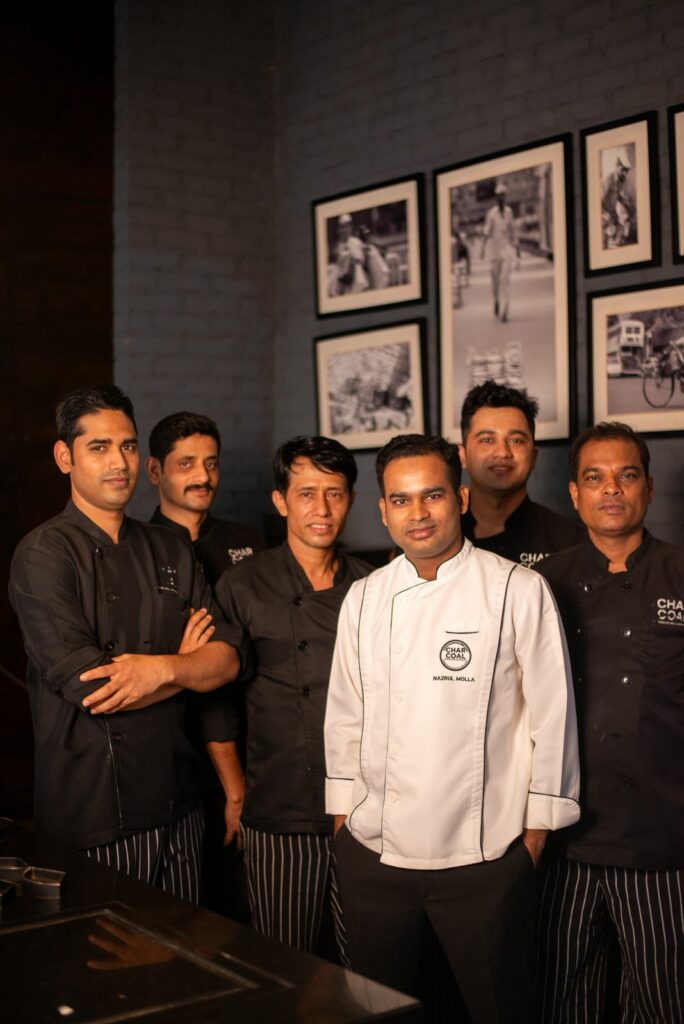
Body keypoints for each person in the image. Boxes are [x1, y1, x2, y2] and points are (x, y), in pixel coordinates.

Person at [325, 433, 580, 1022]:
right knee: (378, 1010)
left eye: (432, 495)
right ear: (383, 510)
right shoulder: (363, 598)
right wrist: (342, 822)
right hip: (375, 855)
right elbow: (344, 715)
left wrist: (533, 838)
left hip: (484, 858)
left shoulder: (517, 589)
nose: (417, 513)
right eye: (401, 499)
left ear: (461, 499)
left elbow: (553, 716)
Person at [8, 385, 240, 902]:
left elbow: (227, 659)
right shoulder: (43, 554)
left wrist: (162, 670)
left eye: (128, 446)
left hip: (180, 802)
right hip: (92, 812)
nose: (119, 462)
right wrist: (189, 667)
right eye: (99, 447)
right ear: (64, 457)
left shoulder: (170, 546)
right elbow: (95, 688)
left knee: (183, 945)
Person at [536, 422, 684, 1024]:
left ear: (649, 487)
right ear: (575, 494)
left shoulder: (680, 573)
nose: (612, 489)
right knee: (561, 999)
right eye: (594, 478)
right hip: (562, 838)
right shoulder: (540, 583)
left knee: (664, 1001)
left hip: (663, 835)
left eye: (626, 476)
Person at [213, 436, 369, 955]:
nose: (321, 509)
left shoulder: (373, 587)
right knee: (284, 960)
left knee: (369, 965)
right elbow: (219, 703)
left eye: (334, 493)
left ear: (351, 500)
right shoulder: (242, 585)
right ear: (280, 501)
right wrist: (235, 791)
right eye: (306, 494)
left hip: (365, 811)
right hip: (279, 807)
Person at [146, 410, 263, 917]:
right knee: (197, 904)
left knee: (258, 899)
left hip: (256, 736)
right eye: (186, 463)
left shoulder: (248, 541)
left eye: (211, 463)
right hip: (181, 748)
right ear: (155, 471)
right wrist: (187, 662)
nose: (203, 476)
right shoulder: (140, 548)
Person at [459, 380, 585, 566]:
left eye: (516, 440)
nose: (502, 452)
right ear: (462, 455)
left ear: (533, 456)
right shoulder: (437, 537)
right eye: (487, 440)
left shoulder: (571, 542)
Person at [480, 182, 519, 322]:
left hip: (506, 250)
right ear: (496, 198)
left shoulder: (509, 212)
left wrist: (517, 250)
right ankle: (496, 300)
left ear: (505, 196)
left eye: (503, 195)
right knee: (495, 281)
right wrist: (482, 249)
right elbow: (486, 232)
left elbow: (513, 231)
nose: (501, 198)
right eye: (499, 196)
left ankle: (505, 310)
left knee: (505, 280)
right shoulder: (491, 214)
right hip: (494, 252)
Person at [602, 149, 636, 248]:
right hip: (605, 216)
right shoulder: (608, 180)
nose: (625, 174)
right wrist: (607, 217)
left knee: (623, 226)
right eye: (623, 170)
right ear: (617, 166)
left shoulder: (621, 181)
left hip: (613, 214)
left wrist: (628, 206)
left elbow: (618, 196)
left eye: (627, 171)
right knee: (609, 235)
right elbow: (598, 202)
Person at [329, 213, 368, 296]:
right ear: (338, 230)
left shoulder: (356, 241)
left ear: (350, 228)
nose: (344, 230)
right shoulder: (337, 245)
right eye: (341, 227)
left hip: (357, 273)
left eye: (346, 227)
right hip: (341, 276)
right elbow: (337, 262)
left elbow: (362, 259)